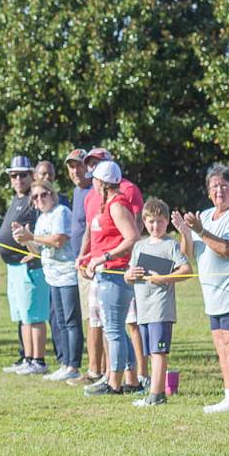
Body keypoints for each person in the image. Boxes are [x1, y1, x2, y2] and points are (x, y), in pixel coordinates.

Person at [172, 163, 229, 414]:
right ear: (208, 191)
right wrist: (185, 233)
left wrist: (200, 230)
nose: (219, 190)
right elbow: (188, 253)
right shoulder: (204, 214)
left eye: (224, 185)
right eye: (214, 186)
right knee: (221, 342)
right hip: (213, 292)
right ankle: (228, 396)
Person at [80, 148, 145, 390]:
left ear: (103, 183)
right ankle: (131, 379)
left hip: (115, 274)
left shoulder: (117, 205)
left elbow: (132, 238)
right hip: (105, 272)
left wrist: (104, 257)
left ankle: (113, 382)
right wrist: (87, 257)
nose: (93, 184)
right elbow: (106, 239)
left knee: (114, 330)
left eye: (95, 180)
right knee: (115, 328)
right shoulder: (106, 204)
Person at [125, 198, 191, 405]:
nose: (155, 226)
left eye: (160, 222)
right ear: (144, 221)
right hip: (142, 308)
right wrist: (130, 274)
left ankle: (156, 395)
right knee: (150, 352)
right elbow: (128, 275)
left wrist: (163, 279)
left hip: (160, 308)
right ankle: (155, 389)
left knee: (159, 351)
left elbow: (187, 270)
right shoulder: (139, 246)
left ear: (166, 222)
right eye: (151, 221)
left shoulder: (170, 245)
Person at [14, 178, 81, 381]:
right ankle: (64, 363)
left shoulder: (61, 212)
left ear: (52, 194)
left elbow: (59, 240)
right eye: (35, 197)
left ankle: (73, 365)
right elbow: (39, 249)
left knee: (71, 322)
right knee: (60, 322)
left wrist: (31, 237)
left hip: (68, 273)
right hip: (52, 276)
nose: (40, 199)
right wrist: (24, 239)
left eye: (44, 194)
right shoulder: (42, 218)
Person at [0, 156, 49, 374]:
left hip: (31, 266)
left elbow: (40, 233)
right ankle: (27, 357)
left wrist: (32, 248)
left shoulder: (34, 200)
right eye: (14, 175)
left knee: (34, 314)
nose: (18, 179)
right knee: (22, 315)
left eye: (22, 175)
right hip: (14, 267)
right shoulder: (16, 200)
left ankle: (38, 360)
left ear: (31, 176)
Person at [64, 147, 103, 382]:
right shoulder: (78, 192)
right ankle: (96, 369)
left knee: (98, 320)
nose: (75, 170)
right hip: (82, 264)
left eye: (79, 165)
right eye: (71, 166)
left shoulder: (94, 191)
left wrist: (86, 256)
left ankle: (99, 371)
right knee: (90, 319)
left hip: (96, 264)